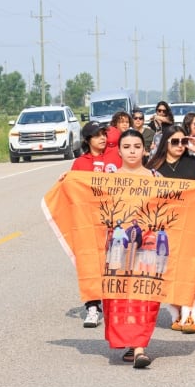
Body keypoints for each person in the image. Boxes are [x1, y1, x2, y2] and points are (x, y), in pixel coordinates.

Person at [146, 126, 195, 333]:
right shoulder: (153, 166)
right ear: (165, 143)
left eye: (183, 142)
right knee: (170, 269)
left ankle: (190, 315)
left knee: (190, 269)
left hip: (191, 225)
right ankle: (175, 312)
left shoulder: (192, 162)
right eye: (175, 142)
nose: (180, 146)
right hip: (165, 227)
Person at [105, 129, 162, 368]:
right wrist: (68, 182)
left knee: (144, 294)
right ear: (118, 150)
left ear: (144, 149)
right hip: (117, 248)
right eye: (127, 147)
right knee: (119, 296)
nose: (132, 151)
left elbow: (181, 202)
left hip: (147, 247)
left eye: (137, 146)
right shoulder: (107, 180)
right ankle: (129, 342)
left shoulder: (155, 178)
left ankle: (140, 347)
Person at [69, 121, 110, 327]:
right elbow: (72, 190)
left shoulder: (115, 158)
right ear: (87, 140)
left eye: (104, 134)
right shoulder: (80, 164)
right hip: (89, 223)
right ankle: (92, 307)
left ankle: (114, 305)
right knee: (90, 264)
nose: (103, 138)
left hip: (113, 222)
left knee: (114, 263)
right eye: (97, 135)